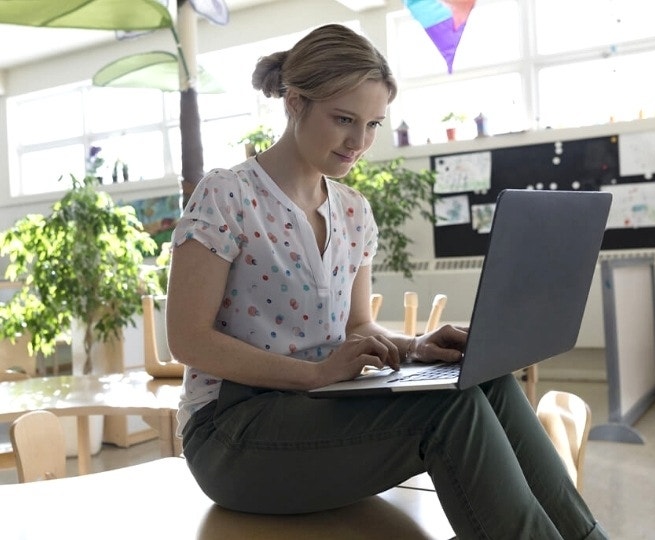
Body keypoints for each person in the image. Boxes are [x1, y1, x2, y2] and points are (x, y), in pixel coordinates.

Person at [166, 23, 608, 539]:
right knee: (450, 413)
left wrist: (414, 346)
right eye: (344, 120)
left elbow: (356, 326)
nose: (360, 142)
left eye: (373, 123)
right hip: (232, 431)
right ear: (294, 102)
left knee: (487, 382)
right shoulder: (227, 194)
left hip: (321, 409)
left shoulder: (353, 211)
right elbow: (188, 341)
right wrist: (313, 375)